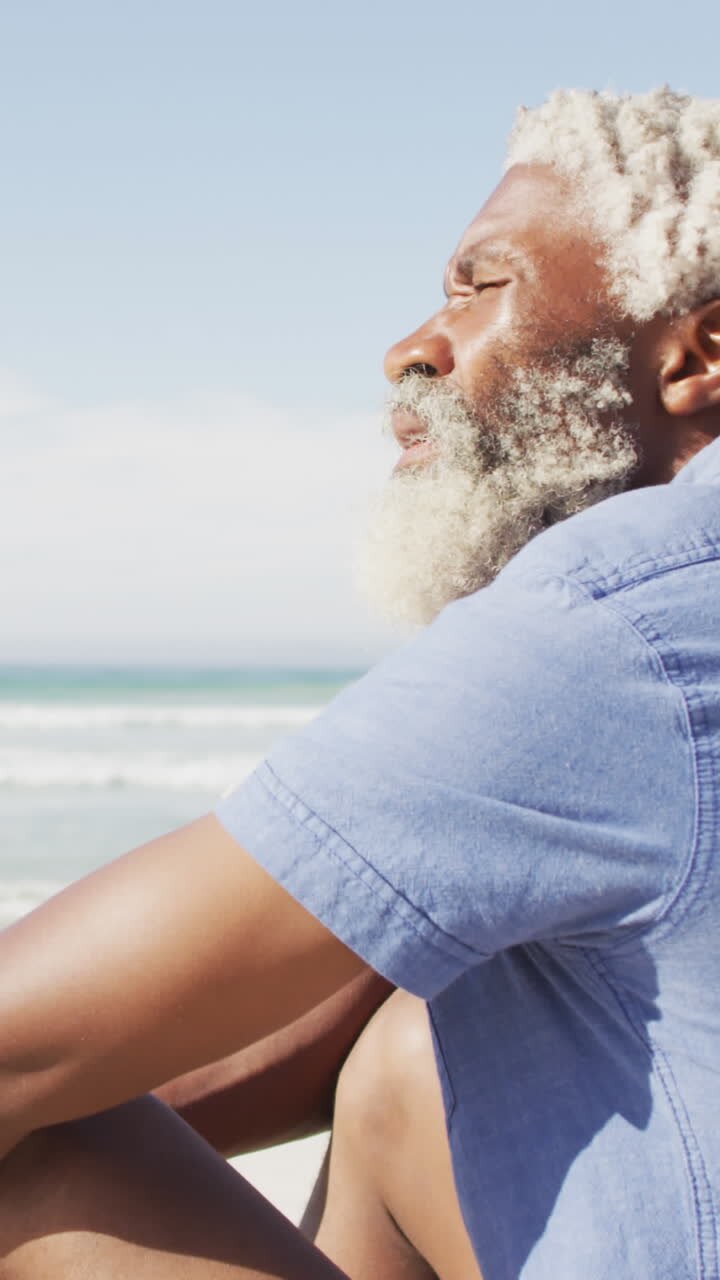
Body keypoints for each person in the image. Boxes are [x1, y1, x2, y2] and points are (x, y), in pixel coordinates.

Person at [1, 85, 720, 1279]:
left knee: (32, 1144)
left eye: (480, 286)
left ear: (698, 353)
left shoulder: (617, 617)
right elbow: (347, 984)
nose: (412, 347)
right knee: (409, 1052)